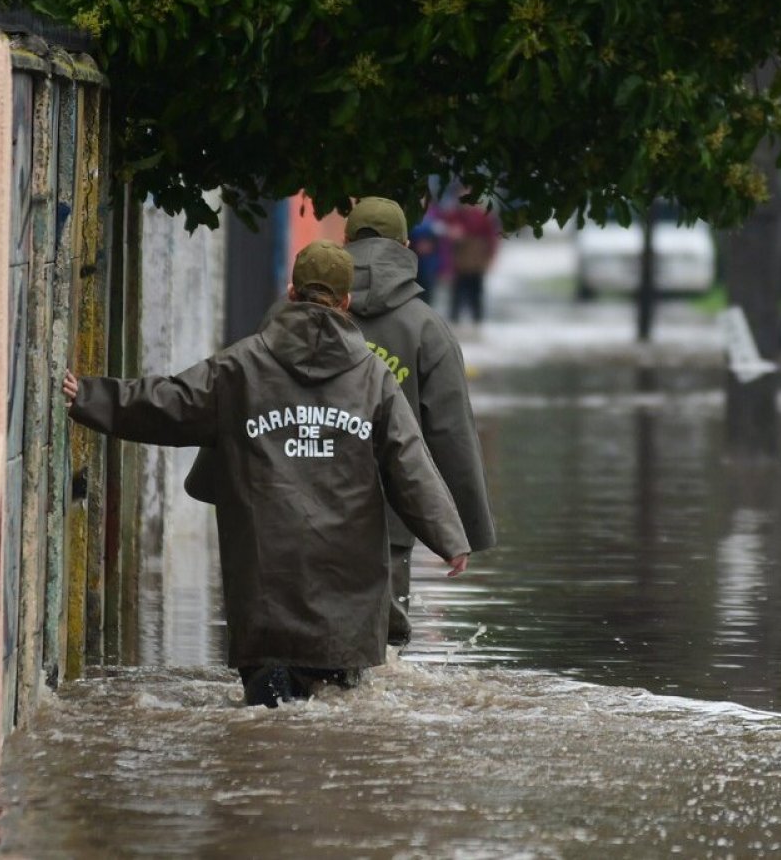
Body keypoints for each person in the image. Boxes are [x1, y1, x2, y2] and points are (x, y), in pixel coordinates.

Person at [63, 240, 470, 707]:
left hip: (265, 589)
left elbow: (169, 402)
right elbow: (409, 463)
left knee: (267, 725)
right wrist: (450, 539)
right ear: (346, 303)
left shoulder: (241, 365)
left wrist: (90, 397)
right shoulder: (374, 377)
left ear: (292, 292)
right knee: (341, 731)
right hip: (347, 596)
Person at [187, 197, 497, 647]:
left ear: (346, 240)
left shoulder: (284, 313)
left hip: (286, 508)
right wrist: (462, 529)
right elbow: (450, 433)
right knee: (375, 653)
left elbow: (247, 394)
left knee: (286, 643)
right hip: (386, 522)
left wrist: (215, 479)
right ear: (407, 246)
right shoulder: (427, 329)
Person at [445, 198, 500, 325]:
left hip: (477, 262)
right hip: (459, 263)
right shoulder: (453, 215)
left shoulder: (483, 216)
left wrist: (491, 258)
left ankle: (477, 324)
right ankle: (455, 325)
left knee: (476, 296)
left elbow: (492, 239)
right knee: (457, 297)